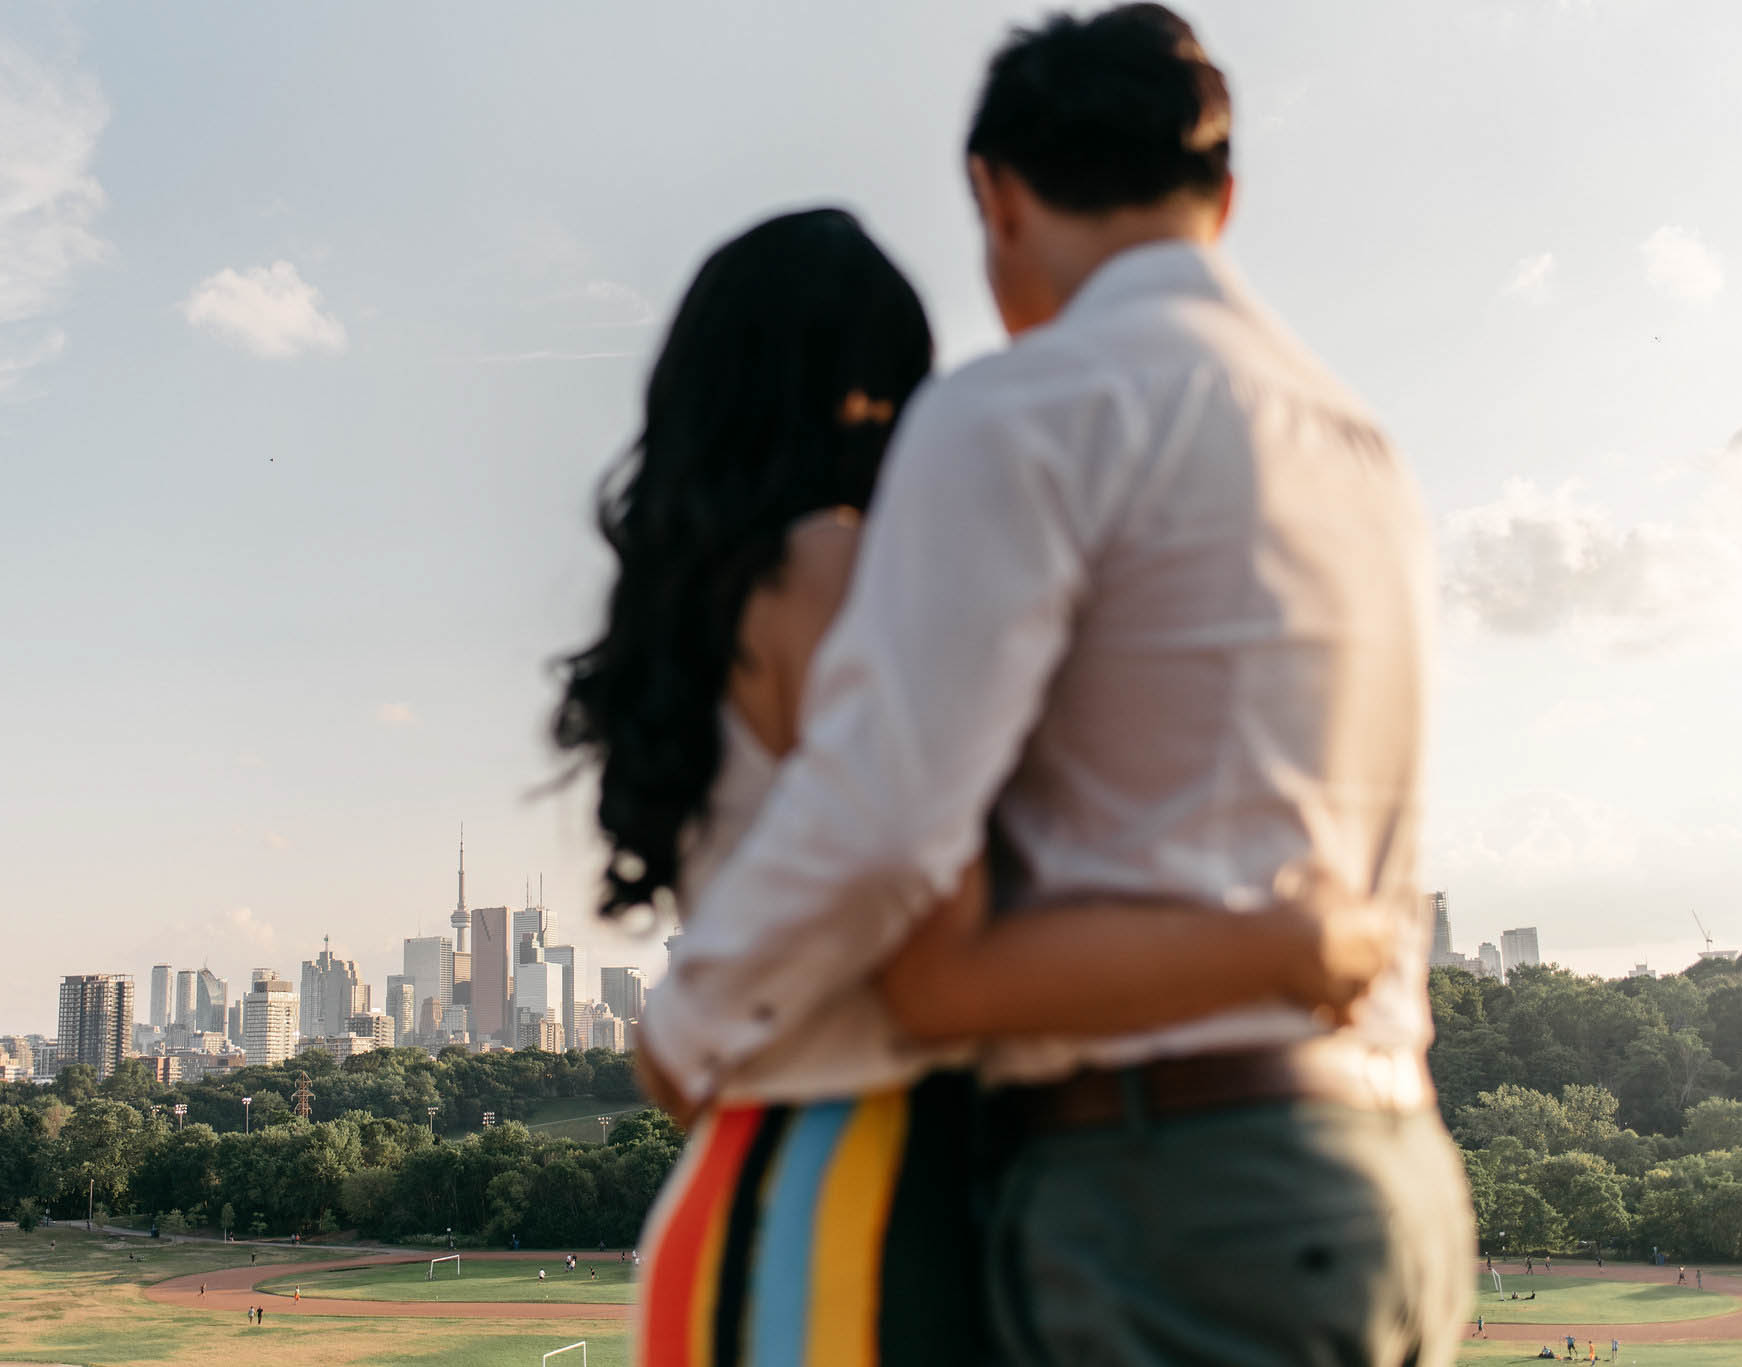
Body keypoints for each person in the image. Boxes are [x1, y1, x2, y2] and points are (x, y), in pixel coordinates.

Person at [627, 7, 1468, 1365]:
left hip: (1170, 1182)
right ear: (1224, 199)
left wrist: (690, 1020)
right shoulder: (1365, 451)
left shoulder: (1023, 409)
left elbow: (888, 826)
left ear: (996, 196)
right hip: (1390, 1165)